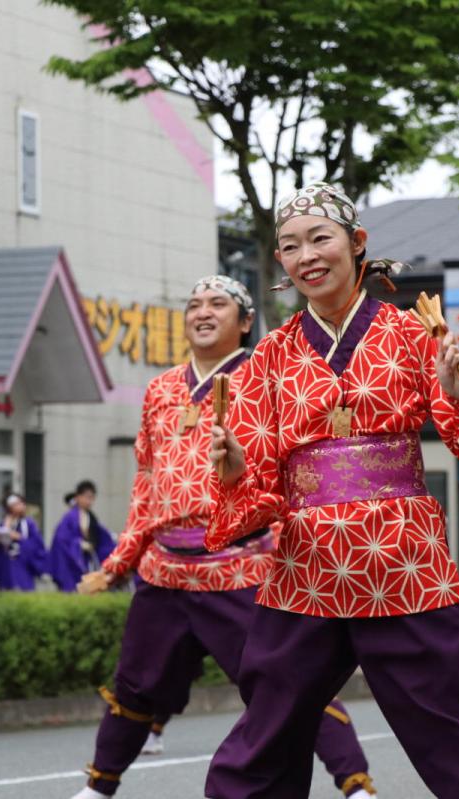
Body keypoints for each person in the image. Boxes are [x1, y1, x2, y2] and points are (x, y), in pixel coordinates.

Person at [205, 182, 459, 799]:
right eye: (290, 246)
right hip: (307, 563)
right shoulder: (269, 355)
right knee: (267, 727)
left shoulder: (408, 331)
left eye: (320, 238)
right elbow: (258, 466)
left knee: (457, 722)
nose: (306, 256)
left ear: (357, 244)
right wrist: (236, 466)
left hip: (401, 555)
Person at [70, 275, 376, 799]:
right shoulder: (161, 389)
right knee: (136, 683)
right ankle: (100, 787)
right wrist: (120, 560)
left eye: (217, 304)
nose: (202, 312)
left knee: (285, 680)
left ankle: (355, 785)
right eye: (193, 305)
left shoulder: (266, 380)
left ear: (245, 321)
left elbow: (294, 466)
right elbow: (146, 481)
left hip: (243, 564)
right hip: (165, 570)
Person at [50, 480, 117, 593]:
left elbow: (100, 534)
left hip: (88, 560)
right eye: (87, 497)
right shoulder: (70, 517)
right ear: (78, 497)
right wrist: (78, 544)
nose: (89, 501)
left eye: (92, 498)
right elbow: (61, 539)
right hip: (73, 562)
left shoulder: (91, 517)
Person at [0, 493, 46, 592]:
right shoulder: (4, 523)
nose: (19, 506)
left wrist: (19, 538)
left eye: (20, 503)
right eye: (15, 504)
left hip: (23, 566)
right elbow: (0, 547)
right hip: (7, 566)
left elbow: (37, 546)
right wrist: (3, 532)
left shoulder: (28, 524)